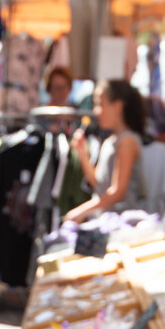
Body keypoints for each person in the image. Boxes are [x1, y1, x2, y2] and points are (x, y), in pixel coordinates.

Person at [64, 79, 146, 224]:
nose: (96, 111)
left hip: (121, 225)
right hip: (104, 221)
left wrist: (80, 211)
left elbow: (117, 192)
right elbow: (98, 185)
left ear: (117, 106)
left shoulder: (127, 141)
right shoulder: (110, 141)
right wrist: (82, 154)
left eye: (100, 104)